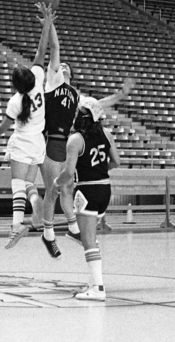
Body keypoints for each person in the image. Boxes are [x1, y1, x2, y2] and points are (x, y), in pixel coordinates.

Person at [37, 2, 135, 257]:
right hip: (49, 140)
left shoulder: (77, 96)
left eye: (68, 66)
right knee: (52, 190)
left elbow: (99, 105)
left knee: (65, 187)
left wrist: (120, 94)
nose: (64, 66)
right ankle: (49, 234)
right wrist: (49, 25)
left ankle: (69, 229)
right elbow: (55, 48)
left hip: (66, 143)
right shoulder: (51, 82)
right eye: (62, 65)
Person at [0, 9, 53, 249]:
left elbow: (2, 128)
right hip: (39, 142)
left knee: (16, 184)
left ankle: (16, 225)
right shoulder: (39, 81)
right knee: (29, 185)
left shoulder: (16, 102)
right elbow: (42, 52)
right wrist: (46, 25)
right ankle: (36, 203)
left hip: (22, 142)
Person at [54, 98, 120, 301]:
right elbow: (116, 161)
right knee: (91, 237)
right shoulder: (106, 134)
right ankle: (94, 281)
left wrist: (56, 183)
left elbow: (68, 172)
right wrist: (99, 171)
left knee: (88, 240)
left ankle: (98, 288)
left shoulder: (75, 139)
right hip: (105, 189)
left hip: (86, 191)